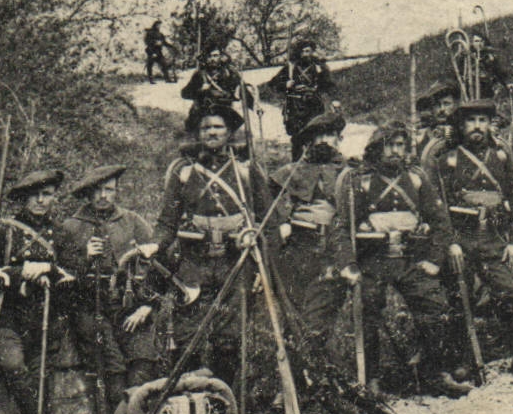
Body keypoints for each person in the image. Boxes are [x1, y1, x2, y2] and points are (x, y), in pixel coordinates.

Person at [331, 123, 473, 398]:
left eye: (400, 145)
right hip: (374, 260)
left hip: (411, 259)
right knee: (368, 307)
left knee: (434, 304)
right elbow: (342, 228)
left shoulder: (417, 178)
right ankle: (372, 381)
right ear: (376, 148)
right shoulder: (360, 182)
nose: (395, 151)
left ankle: (434, 372)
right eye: (389, 145)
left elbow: (441, 222)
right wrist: (349, 264)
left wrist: (434, 260)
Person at [153, 106, 278, 395]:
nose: (212, 132)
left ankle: (225, 399)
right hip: (192, 263)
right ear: (198, 133)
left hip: (235, 263)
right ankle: (190, 398)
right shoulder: (183, 171)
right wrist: (154, 245)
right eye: (206, 127)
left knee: (229, 336)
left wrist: (264, 267)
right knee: (187, 334)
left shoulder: (246, 169)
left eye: (218, 127)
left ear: (229, 133)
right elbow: (166, 223)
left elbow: (269, 219)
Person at [430, 100, 513, 379]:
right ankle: (463, 360)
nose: (477, 127)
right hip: (463, 238)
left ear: (489, 125)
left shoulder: (500, 156)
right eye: (471, 121)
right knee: (461, 295)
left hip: (496, 237)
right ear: (461, 127)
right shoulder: (447, 159)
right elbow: (438, 208)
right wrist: (451, 243)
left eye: (482, 121)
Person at [0, 168, 71, 414]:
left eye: (47, 195)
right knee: (13, 367)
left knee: (41, 378)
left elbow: (72, 279)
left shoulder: (61, 234)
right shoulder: (2, 231)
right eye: (35, 196)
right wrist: (17, 273)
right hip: (7, 318)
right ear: (23, 199)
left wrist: (49, 272)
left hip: (45, 319)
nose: (42, 201)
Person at [59, 165, 160, 414]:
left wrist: (147, 305)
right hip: (92, 311)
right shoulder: (70, 228)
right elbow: (63, 276)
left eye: (109, 190)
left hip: (131, 308)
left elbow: (158, 265)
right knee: (112, 373)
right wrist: (84, 258)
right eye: (97, 191)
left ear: (116, 191)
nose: (104, 196)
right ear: (88, 195)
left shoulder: (132, 221)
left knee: (143, 363)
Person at [269, 111, 350, 365]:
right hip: (299, 247)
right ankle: (299, 376)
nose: (325, 141)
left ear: (339, 139)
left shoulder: (351, 172)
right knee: (293, 313)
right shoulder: (293, 171)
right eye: (319, 136)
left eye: (331, 136)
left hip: (333, 249)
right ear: (310, 141)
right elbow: (266, 198)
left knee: (318, 316)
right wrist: (282, 221)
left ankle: (314, 370)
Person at [262, 39, 340, 160]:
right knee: (297, 138)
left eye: (308, 51)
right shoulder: (291, 67)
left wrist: (320, 86)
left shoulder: (319, 67)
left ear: (312, 52)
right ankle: (296, 164)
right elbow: (273, 83)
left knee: (315, 133)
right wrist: (286, 84)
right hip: (295, 107)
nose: (305, 54)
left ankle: (314, 161)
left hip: (314, 105)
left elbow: (329, 85)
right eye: (302, 51)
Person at [180, 44, 254, 135]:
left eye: (215, 56)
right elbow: (185, 93)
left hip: (224, 111)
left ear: (220, 57)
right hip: (203, 112)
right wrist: (200, 90)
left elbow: (242, 89)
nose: (212, 59)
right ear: (205, 58)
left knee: (230, 136)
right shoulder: (199, 75)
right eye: (210, 56)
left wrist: (254, 106)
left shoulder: (229, 73)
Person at [416, 79, 461, 164]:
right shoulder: (423, 135)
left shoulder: (461, 133)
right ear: (431, 108)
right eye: (437, 104)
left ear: (455, 105)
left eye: (446, 104)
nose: (442, 109)